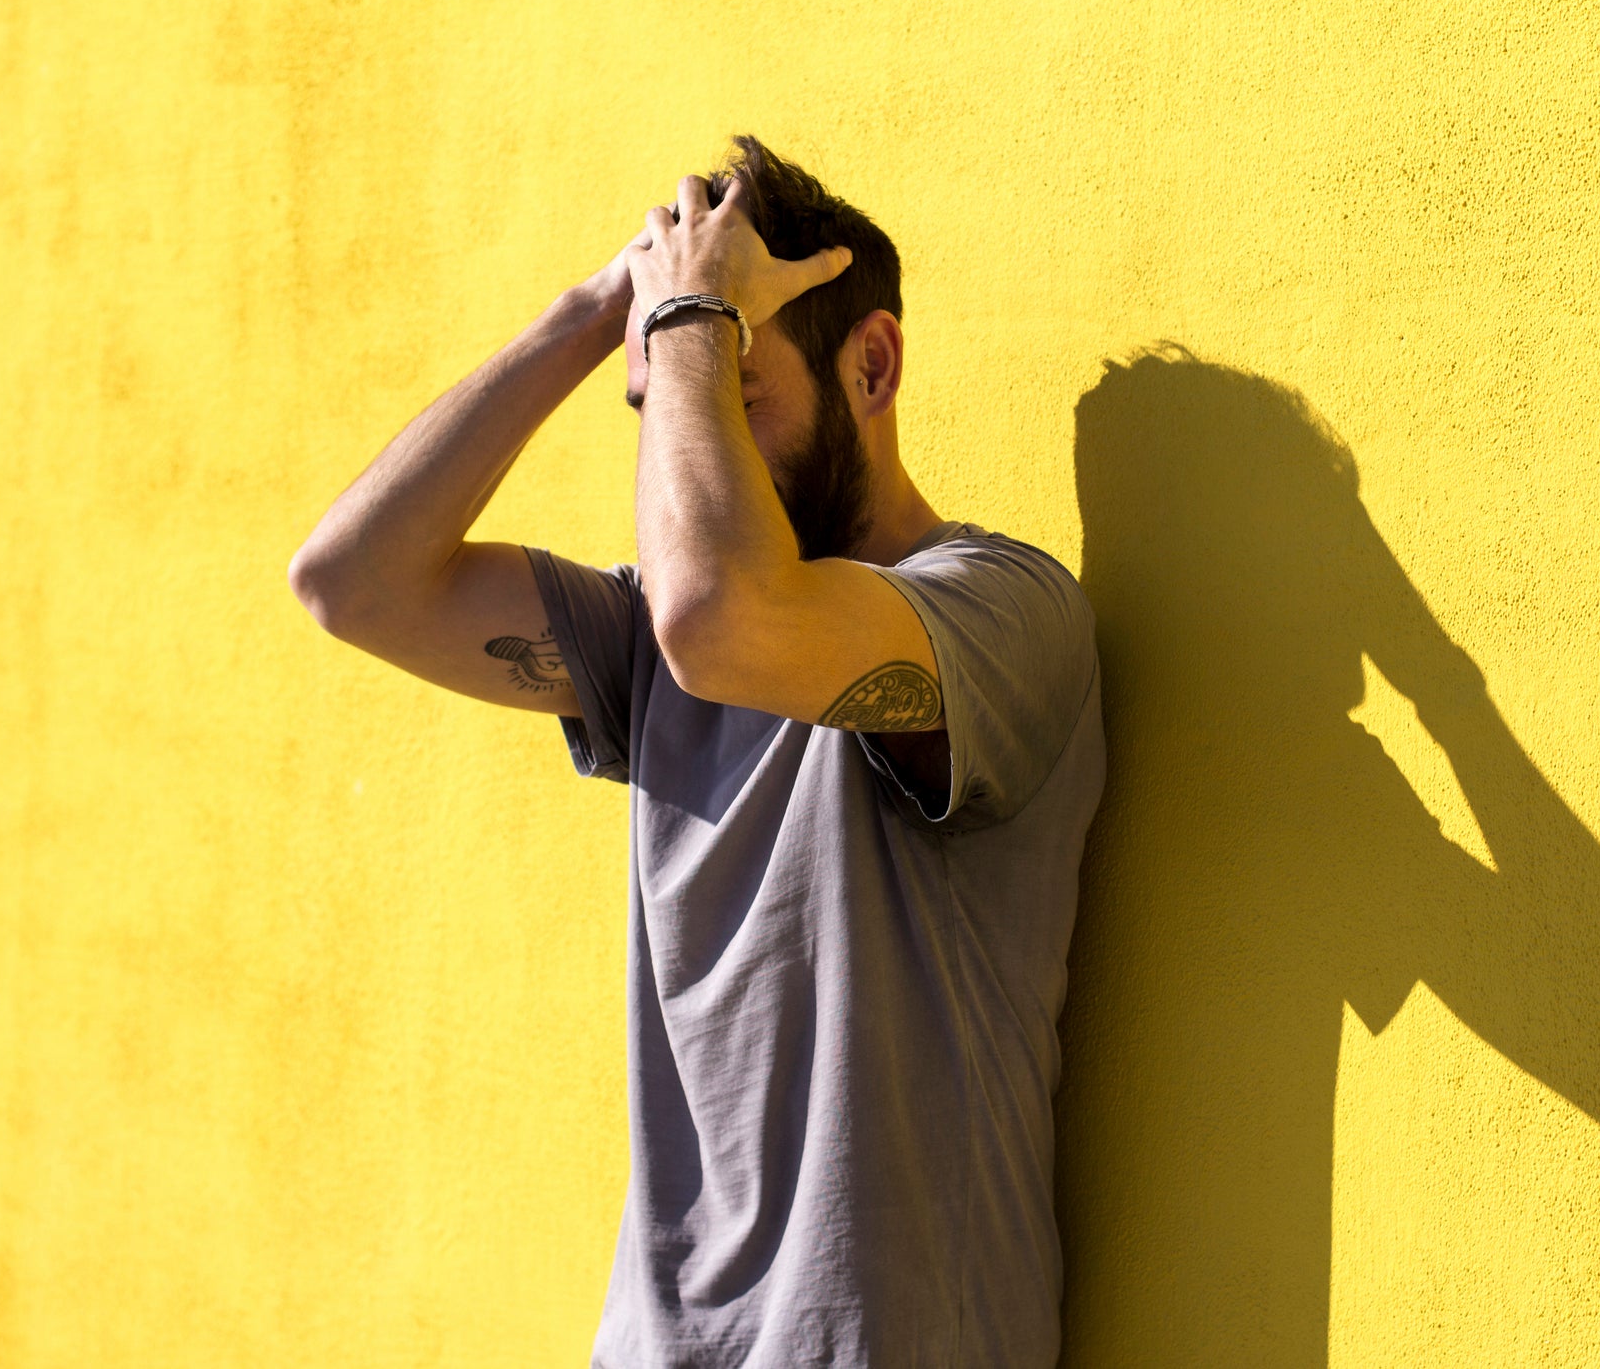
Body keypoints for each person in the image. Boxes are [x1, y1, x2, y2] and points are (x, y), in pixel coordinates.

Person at [287, 136, 1105, 1368]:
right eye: (662, 394)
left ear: (870, 366)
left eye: (733, 379)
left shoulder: (1003, 609)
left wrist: (687, 315)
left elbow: (725, 622)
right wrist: (591, 317)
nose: (686, 419)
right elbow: (351, 583)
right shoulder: (649, 645)